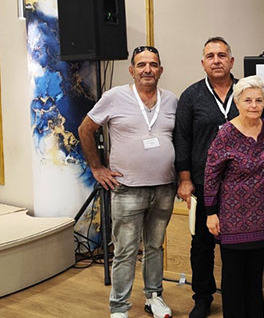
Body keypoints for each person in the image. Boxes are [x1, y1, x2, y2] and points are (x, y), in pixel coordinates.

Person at [78, 46, 177, 318]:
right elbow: (85, 129)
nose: (147, 69)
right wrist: (97, 168)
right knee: (125, 250)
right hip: (127, 189)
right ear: (132, 70)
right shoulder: (114, 97)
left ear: (160, 70)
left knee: (155, 247)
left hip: (164, 188)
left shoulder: (171, 100)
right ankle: (119, 307)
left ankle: (154, 297)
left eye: (153, 64)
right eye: (141, 64)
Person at [204, 75, 264, 318]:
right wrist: (210, 213)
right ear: (237, 102)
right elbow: (211, 174)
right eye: (248, 100)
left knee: (255, 279)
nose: (254, 105)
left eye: (259, 100)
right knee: (234, 280)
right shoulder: (226, 133)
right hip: (233, 220)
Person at [173, 36, 238, 318]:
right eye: (210, 56)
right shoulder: (191, 96)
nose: (216, 60)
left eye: (221, 55)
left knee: (237, 244)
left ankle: (236, 295)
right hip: (202, 182)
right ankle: (202, 297)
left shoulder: (245, 90)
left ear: (231, 61)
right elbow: (182, 138)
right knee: (202, 244)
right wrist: (185, 179)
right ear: (203, 63)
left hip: (239, 183)